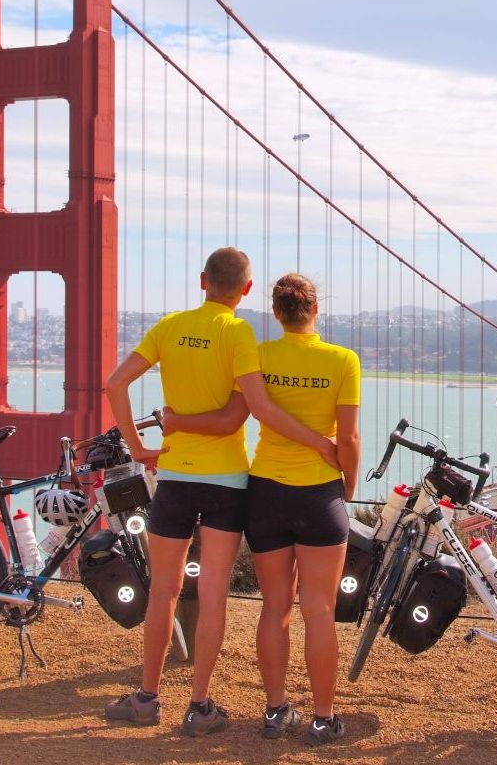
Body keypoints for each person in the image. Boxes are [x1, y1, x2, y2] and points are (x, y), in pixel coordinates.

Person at [103, 249, 336, 737]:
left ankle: (146, 698)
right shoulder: (238, 334)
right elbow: (242, 415)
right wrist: (322, 444)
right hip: (228, 480)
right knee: (212, 597)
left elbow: (115, 383)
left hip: (174, 478)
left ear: (202, 281)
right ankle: (200, 705)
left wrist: (139, 448)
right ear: (247, 291)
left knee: (162, 592)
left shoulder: (169, 326)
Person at [164, 271, 360, 747]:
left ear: (276, 312)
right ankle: (322, 719)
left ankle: (275, 711)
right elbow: (348, 439)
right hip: (319, 496)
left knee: (275, 607)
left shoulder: (259, 356)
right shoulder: (343, 360)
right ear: (316, 310)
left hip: (265, 492)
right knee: (319, 610)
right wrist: (347, 486)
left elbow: (238, 414)